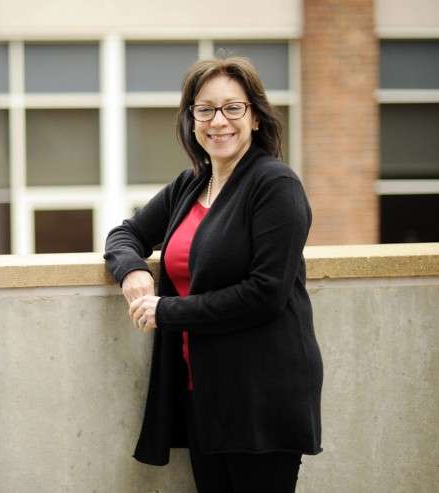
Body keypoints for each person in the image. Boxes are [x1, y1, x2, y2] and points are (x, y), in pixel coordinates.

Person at [104, 56, 323, 493]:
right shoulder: (192, 185)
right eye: (204, 109)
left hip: (261, 392)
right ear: (191, 119)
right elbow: (125, 233)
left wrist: (168, 311)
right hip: (201, 389)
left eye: (232, 108)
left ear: (256, 116)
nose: (217, 121)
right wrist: (130, 271)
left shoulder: (275, 186)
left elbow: (265, 294)